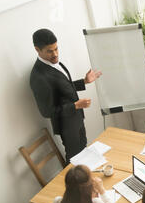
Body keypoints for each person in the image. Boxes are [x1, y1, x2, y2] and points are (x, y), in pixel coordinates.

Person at [30, 28, 102, 163]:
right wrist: (75, 105)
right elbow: (46, 111)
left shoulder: (55, 61)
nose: (55, 54)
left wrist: (84, 81)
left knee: (84, 153)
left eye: (56, 49)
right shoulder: (38, 77)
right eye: (50, 51)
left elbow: (61, 89)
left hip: (77, 119)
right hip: (66, 125)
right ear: (37, 50)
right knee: (74, 159)